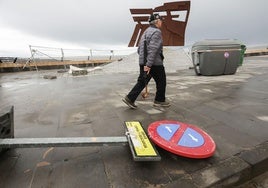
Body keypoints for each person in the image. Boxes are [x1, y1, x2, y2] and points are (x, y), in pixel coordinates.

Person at [122, 13, 170, 109]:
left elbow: (139, 49)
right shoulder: (156, 32)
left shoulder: (146, 32)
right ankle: (159, 100)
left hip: (144, 62)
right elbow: (153, 49)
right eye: (161, 20)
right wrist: (148, 64)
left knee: (142, 81)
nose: (162, 22)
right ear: (157, 21)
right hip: (154, 64)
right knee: (161, 81)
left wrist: (144, 62)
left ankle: (130, 98)